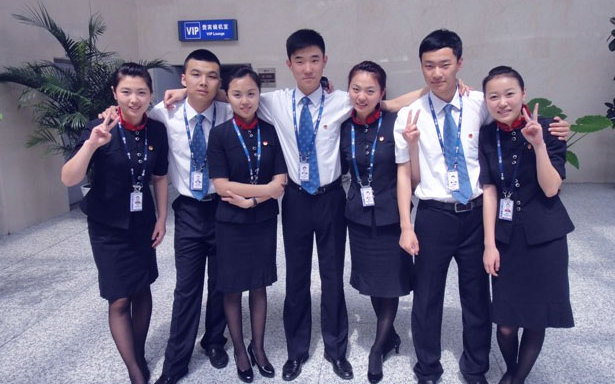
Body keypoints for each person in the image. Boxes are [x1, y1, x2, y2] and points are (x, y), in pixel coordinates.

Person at [163, 29, 427, 381]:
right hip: (296, 201)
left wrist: (436, 88)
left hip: (331, 199)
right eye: (300, 61)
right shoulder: (274, 101)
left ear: (325, 61)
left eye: (314, 60)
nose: (308, 68)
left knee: (332, 278)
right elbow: (235, 94)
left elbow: (391, 103)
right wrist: (185, 90)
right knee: (297, 278)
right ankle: (296, 351)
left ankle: (336, 350)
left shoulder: (343, 100)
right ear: (289, 64)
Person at [393, 29, 570, 384]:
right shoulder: (410, 115)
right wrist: (406, 226)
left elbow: (513, 116)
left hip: (476, 214)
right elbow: (402, 174)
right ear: (421, 67)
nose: (437, 73)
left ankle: (475, 368)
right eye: (429, 65)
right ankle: (427, 367)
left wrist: (554, 128)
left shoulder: (479, 103)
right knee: (427, 297)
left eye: (445, 64)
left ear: (460, 63)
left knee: (476, 297)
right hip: (432, 215)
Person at [61, 62, 169, 384]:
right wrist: (92, 144)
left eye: (141, 92)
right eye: (126, 92)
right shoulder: (100, 127)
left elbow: (159, 177)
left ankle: (137, 352)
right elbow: (69, 177)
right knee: (119, 297)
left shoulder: (156, 130)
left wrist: (162, 217)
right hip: (107, 227)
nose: (134, 99)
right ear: (114, 93)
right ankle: (135, 369)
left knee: (142, 288)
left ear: (150, 94)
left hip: (142, 223)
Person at [479, 66, 574, 384]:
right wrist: (489, 244)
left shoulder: (549, 128)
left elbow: (551, 188)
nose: (502, 102)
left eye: (509, 94)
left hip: (545, 238)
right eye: (494, 96)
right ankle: (513, 370)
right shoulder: (487, 135)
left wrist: (539, 144)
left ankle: (515, 378)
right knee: (506, 324)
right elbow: (490, 190)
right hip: (506, 239)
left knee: (536, 318)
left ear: (523, 94)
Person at [150, 49, 231, 384]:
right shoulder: (163, 113)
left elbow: (256, 98)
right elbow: (132, 114)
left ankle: (214, 340)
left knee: (222, 283)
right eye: (195, 74)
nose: (203, 82)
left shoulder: (228, 112)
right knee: (187, 288)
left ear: (219, 82)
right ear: (183, 78)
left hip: (224, 207)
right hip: (188, 210)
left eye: (211, 76)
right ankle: (176, 362)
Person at [207, 67, 287, 382]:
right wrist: (264, 190)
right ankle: (240, 350)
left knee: (258, 284)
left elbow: (280, 182)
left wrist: (253, 200)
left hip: (262, 220)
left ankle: (258, 347)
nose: (245, 100)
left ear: (259, 95)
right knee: (231, 287)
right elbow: (221, 185)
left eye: (251, 93)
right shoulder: (220, 135)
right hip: (230, 223)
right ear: (228, 96)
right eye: (237, 94)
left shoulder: (271, 131)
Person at [339, 61, 415, 383]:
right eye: (356, 89)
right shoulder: (344, 126)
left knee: (390, 283)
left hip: (390, 216)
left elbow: (404, 172)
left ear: (382, 93)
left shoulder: (395, 123)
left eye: (370, 90)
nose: (362, 96)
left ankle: (377, 348)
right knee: (372, 282)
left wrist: (405, 223)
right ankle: (390, 335)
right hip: (358, 216)